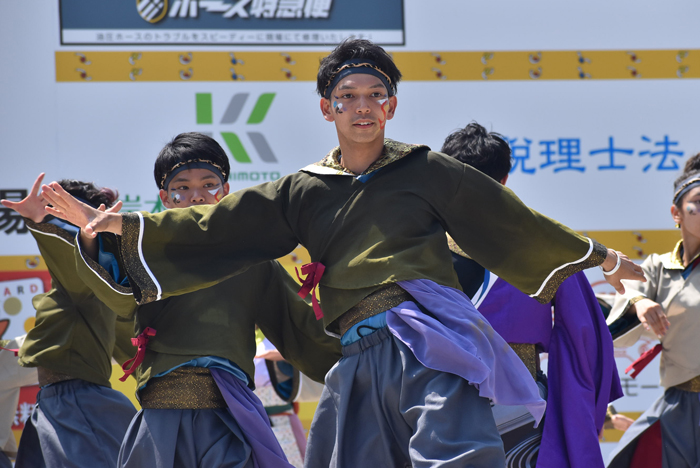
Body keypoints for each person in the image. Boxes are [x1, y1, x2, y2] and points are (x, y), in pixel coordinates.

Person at [41, 39, 644, 467]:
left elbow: (509, 221)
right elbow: (214, 227)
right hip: (357, 355)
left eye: (375, 94)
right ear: (327, 107)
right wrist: (113, 224)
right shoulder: (303, 191)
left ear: (392, 106)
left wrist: (609, 261)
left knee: (457, 451)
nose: (362, 106)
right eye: (348, 95)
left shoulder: (426, 170)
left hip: (427, 335)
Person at [69, 132, 341, 467]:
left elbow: (303, 331)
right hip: (161, 420)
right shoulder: (145, 256)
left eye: (208, 184)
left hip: (230, 415)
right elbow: (120, 299)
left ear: (226, 192)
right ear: (165, 198)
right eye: (181, 187)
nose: (196, 195)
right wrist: (91, 240)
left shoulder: (253, 261)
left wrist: (367, 355)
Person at [441, 122, 623, 468]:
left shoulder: (418, 248)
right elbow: (586, 343)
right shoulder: (547, 249)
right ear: (505, 180)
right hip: (523, 403)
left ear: (447, 178)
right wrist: (575, 414)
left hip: (438, 399)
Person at [0, 175, 137, 468]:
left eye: (64, 213)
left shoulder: (85, 281)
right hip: (58, 403)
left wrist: (43, 221)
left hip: (79, 403)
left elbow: (133, 346)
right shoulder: (87, 286)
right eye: (55, 211)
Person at [605, 153, 700, 468]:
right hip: (678, 401)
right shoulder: (659, 266)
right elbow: (626, 297)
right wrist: (640, 302)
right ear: (676, 213)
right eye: (698, 202)